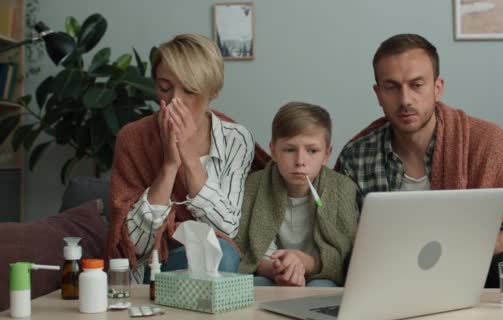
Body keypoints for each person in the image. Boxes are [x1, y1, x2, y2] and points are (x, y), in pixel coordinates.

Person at [335, 34, 503, 288]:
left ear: (437, 88)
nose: (405, 100)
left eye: (417, 84)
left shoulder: (488, 142)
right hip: (392, 281)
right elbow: (340, 243)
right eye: (391, 87)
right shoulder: (355, 157)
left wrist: (453, 248)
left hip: (471, 277)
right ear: (378, 93)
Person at [106, 34, 255, 283]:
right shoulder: (132, 138)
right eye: (165, 88)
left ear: (213, 91)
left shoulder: (236, 139)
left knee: (219, 252)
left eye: (189, 90)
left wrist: (189, 157)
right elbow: (132, 245)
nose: (175, 100)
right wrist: (170, 164)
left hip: (218, 261)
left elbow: (227, 228)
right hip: (152, 267)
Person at [236, 102, 358, 287]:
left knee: (321, 288)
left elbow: (342, 255)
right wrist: (279, 270)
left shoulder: (343, 189)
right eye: (289, 150)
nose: (300, 161)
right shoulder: (254, 185)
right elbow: (250, 249)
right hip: (272, 272)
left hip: (319, 274)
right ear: (273, 151)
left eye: (312, 151)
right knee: (257, 284)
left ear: (326, 154)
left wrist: (304, 262)